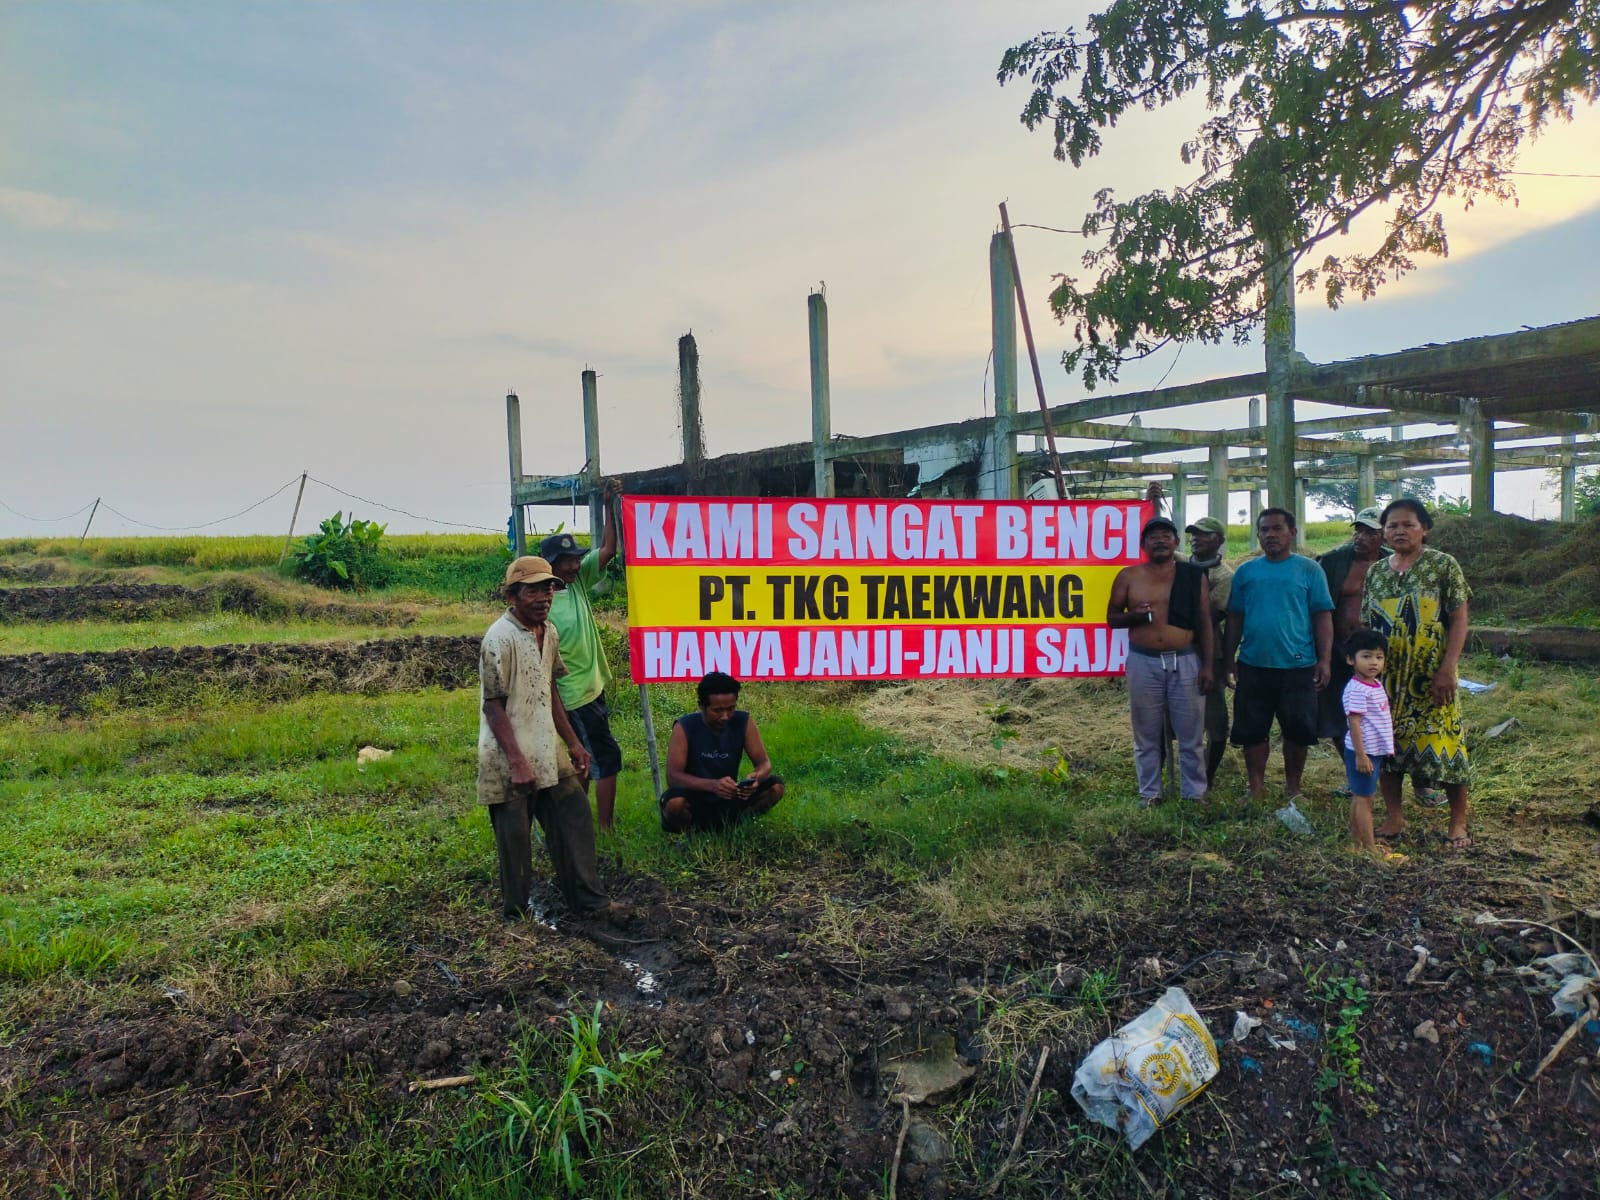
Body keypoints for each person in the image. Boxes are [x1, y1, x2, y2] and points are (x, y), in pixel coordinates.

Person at [478, 556, 618, 919]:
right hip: (507, 754)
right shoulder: (499, 639)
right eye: (533, 590)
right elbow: (493, 707)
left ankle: (589, 901)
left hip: (547, 745)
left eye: (548, 588)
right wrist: (518, 762)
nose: (544, 597)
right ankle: (517, 916)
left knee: (573, 817)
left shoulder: (549, 632)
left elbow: (550, 688)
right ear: (512, 595)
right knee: (515, 839)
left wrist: (572, 742)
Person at [1360, 498, 1474, 850]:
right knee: (1387, 747)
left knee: (1446, 746)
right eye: (1392, 525)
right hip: (1387, 680)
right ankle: (1394, 816)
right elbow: (1367, 624)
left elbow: (1458, 619)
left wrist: (1448, 667)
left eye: (1408, 524)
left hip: (1430, 678)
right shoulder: (1376, 572)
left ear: (1425, 529)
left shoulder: (1443, 565)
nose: (1399, 531)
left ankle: (1457, 822)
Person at [1222, 507, 1334, 802]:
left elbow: (1322, 616)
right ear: (1257, 534)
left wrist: (1325, 660)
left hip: (1298, 665)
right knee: (1252, 730)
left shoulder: (1310, 570)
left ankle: (1293, 789)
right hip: (1253, 664)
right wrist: (1229, 658)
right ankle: (1255, 788)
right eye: (1264, 530)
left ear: (1292, 533)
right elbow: (1235, 617)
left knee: (1297, 731)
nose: (1270, 535)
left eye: (1277, 529)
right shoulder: (1246, 572)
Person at [1108, 517, 1214, 807]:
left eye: (1166, 535)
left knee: (1191, 733)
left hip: (1185, 660)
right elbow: (1112, 618)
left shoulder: (1192, 576)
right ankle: (1150, 793)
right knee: (1146, 733)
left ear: (1176, 542)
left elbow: (1205, 623)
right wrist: (1136, 615)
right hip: (1144, 662)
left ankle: (1194, 793)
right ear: (1143, 545)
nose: (1160, 540)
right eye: (1153, 536)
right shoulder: (1129, 576)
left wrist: (1207, 665)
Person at [541, 480, 623, 832]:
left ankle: (578, 822)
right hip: (574, 695)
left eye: (575, 559)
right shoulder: (544, 604)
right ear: (551, 566)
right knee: (605, 757)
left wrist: (609, 505)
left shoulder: (576, 583)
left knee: (585, 758)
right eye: (566, 562)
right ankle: (602, 827)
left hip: (591, 688)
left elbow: (607, 550)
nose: (574, 566)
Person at [661, 672, 785, 833]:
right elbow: (673, 777)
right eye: (717, 710)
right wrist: (713, 785)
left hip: (731, 797)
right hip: (697, 800)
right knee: (674, 803)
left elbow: (764, 763)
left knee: (776, 787)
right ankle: (693, 834)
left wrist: (755, 778)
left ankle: (736, 827)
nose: (725, 716)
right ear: (702, 706)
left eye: (731, 708)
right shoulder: (684, 727)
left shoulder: (744, 721)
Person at [1340, 628, 1402, 860]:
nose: (1373, 662)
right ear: (1351, 659)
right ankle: (1371, 848)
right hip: (1363, 751)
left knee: (1361, 795)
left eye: (1379, 657)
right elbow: (1354, 723)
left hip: (1372, 750)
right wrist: (1361, 755)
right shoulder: (1357, 689)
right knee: (1364, 799)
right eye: (1366, 656)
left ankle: (1357, 844)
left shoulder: (1373, 684)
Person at [1184, 515, 1233, 786]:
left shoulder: (1224, 576)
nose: (1196, 538)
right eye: (1193, 534)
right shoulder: (1179, 563)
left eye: (1203, 534)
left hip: (1208, 654)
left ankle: (1208, 776)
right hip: (1177, 651)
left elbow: (1209, 616)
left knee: (1215, 717)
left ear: (1219, 541)